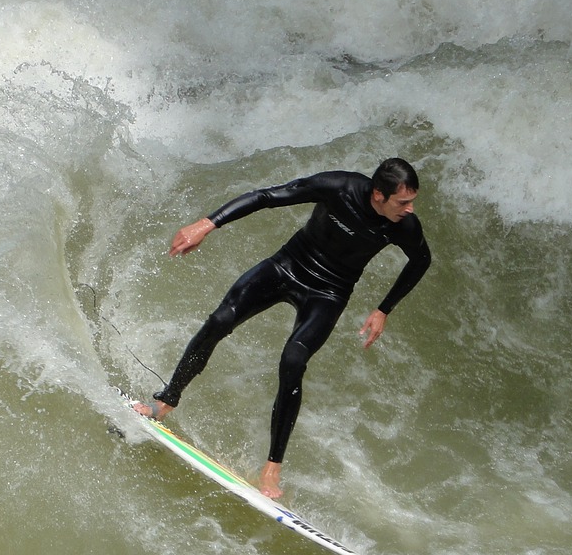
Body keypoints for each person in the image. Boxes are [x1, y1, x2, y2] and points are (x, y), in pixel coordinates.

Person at [134, 158, 432, 499]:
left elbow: (421, 260)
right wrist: (207, 223)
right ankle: (166, 401)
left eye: (411, 202)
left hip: (328, 292)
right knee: (219, 321)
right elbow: (267, 197)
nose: (409, 210)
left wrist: (383, 309)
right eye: (403, 202)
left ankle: (272, 468)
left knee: (293, 361)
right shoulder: (339, 187)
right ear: (378, 194)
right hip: (286, 266)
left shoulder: (403, 226)